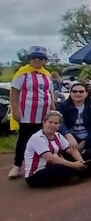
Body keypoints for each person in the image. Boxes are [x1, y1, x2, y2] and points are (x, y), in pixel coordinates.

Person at [8, 46, 55, 179]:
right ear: (30, 58)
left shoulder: (47, 74)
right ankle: (17, 166)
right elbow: (14, 92)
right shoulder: (23, 73)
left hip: (44, 113)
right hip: (27, 113)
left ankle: (42, 163)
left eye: (41, 58)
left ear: (45, 60)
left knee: (45, 138)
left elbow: (50, 93)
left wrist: (53, 110)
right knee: (24, 139)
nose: (37, 60)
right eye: (34, 57)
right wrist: (15, 110)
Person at [24, 111, 89, 187]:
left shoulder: (58, 135)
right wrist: (74, 165)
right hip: (37, 174)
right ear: (44, 123)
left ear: (59, 126)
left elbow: (71, 150)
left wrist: (81, 161)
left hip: (53, 165)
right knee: (61, 168)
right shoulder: (37, 138)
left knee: (88, 155)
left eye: (56, 123)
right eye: (50, 122)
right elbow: (50, 159)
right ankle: (82, 173)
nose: (53, 125)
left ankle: (74, 174)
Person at [57, 83, 91, 164]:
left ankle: (90, 158)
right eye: (74, 91)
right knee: (64, 146)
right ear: (70, 93)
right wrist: (68, 135)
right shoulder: (63, 105)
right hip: (71, 134)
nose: (78, 94)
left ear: (86, 93)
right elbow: (59, 123)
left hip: (90, 134)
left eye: (81, 91)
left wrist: (85, 141)